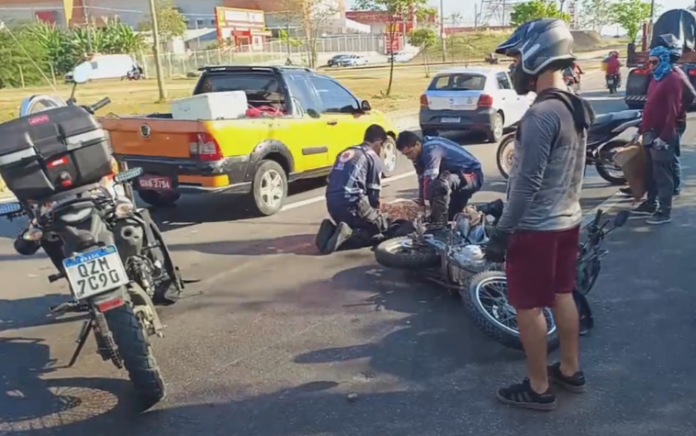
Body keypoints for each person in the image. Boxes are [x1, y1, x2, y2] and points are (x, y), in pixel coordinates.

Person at [484, 18, 596, 411]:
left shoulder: (540, 115)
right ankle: (570, 368)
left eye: (516, 57)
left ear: (537, 56)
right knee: (563, 293)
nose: (513, 66)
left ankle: (538, 387)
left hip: (535, 229)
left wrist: (502, 233)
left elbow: (527, 184)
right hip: (568, 220)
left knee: (528, 307)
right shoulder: (576, 106)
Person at [620, 34, 694, 198]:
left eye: (656, 59)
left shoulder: (675, 75)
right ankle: (661, 190)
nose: (652, 63)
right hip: (660, 123)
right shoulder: (661, 75)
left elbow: (689, 95)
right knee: (660, 160)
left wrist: (678, 111)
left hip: (670, 123)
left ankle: (671, 189)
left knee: (667, 159)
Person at [630, 44, 685, 224]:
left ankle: (664, 211)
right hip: (649, 131)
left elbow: (673, 112)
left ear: (664, 60)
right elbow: (649, 107)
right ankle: (651, 203)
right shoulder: (656, 78)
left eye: (655, 62)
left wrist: (664, 136)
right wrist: (640, 130)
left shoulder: (672, 79)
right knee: (650, 172)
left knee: (663, 175)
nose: (651, 66)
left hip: (662, 133)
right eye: (650, 62)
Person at [315, 124, 389, 254]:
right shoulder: (372, 157)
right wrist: (378, 214)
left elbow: (330, 179)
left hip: (332, 205)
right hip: (351, 204)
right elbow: (373, 197)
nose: (381, 150)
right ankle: (347, 236)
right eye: (382, 146)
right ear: (379, 142)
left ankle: (331, 229)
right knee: (379, 228)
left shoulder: (346, 151)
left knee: (362, 218)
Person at [394, 131, 482, 227]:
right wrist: (421, 205)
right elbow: (422, 182)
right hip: (455, 178)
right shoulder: (417, 157)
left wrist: (430, 213)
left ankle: (438, 226)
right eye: (406, 155)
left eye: (410, 153)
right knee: (452, 216)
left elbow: (430, 181)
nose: (409, 157)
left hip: (472, 176)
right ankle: (492, 207)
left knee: (440, 185)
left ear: (417, 144)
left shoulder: (431, 149)